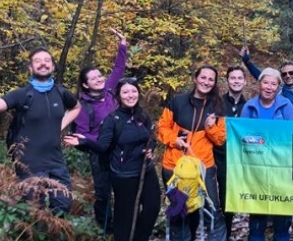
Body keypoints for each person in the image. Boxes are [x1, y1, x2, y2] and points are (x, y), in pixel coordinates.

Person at [0, 48, 80, 215]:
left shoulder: (61, 93)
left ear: (53, 66)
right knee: (34, 211)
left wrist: (60, 126)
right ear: (30, 68)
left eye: (47, 60)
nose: (43, 63)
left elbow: (76, 107)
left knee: (62, 207)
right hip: (28, 164)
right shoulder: (22, 94)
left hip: (56, 161)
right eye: (38, 61)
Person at [64, 78, 161, 241]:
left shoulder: (142, 115)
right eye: (125, 92)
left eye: (134, 91)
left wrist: (150, 149)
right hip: (124, 175)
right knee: (126, 217)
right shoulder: (112, 120)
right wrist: (84, 142)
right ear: (119, 96)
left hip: (146, 170)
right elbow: (103, 147)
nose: (130, 95)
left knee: (152, 207)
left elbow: (151, 138)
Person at [158, 66, 227, 241]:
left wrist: (210, 128)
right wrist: (175, 140)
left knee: (212, 211)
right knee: (179, 211)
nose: (206, 82)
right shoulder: (177, 102)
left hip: (204, 167)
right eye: (203, 77)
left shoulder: (217, 106)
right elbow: (162, 128)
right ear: (195, 78)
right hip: (175, 166)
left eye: (211, 79)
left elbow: (220, 139)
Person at [73, 28, 128, 232]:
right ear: (86, 86)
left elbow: (118, 69)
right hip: (100, 154)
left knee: (122, 189)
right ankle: (105, 228)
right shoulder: (83, 107)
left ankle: (123, 226)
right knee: (103, 193)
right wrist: (102, 142)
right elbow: (82, 133)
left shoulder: (109, 91)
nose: (99, 79)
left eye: (100, 75)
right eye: (94, 78)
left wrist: (122, 44)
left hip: (121, 150)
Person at [240, 67, 293, 241]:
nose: (269, 87)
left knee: (282, 225)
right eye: (266, 82)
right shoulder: (249, 107)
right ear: (260, 84)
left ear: (278, 86)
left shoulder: (286, 106)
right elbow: (241, 137)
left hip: (282, 172)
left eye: (273, 83)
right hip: (256, 174)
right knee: (257, 225)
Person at [216, 65, 248, 240]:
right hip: (221, 159)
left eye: (239, 78)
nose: (236, 81)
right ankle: (224, 235)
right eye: (232, 78)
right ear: (227, 80)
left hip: (243, 160)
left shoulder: (249, 106)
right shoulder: (217, 103)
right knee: (223, 200)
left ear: (244, 81)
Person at [241, 46, 293, 119]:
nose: (288, 76)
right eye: (284, 74)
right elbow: (263, 77)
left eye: (291, 73)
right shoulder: (279, 91)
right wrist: (247, 62)